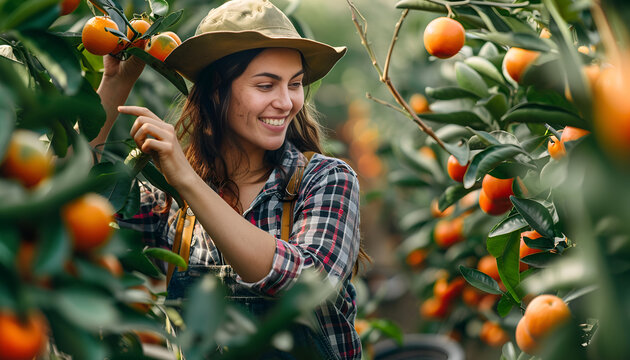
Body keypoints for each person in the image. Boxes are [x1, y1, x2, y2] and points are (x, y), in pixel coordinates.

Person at [94, 0, 368, 358]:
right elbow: (67, 205)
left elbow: (307, 282)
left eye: (295, 84)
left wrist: (187, 180)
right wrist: (115, 85)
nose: (286, 102)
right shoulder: (169, 204)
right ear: (216, 90)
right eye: (267, 85)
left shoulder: (325, 181)